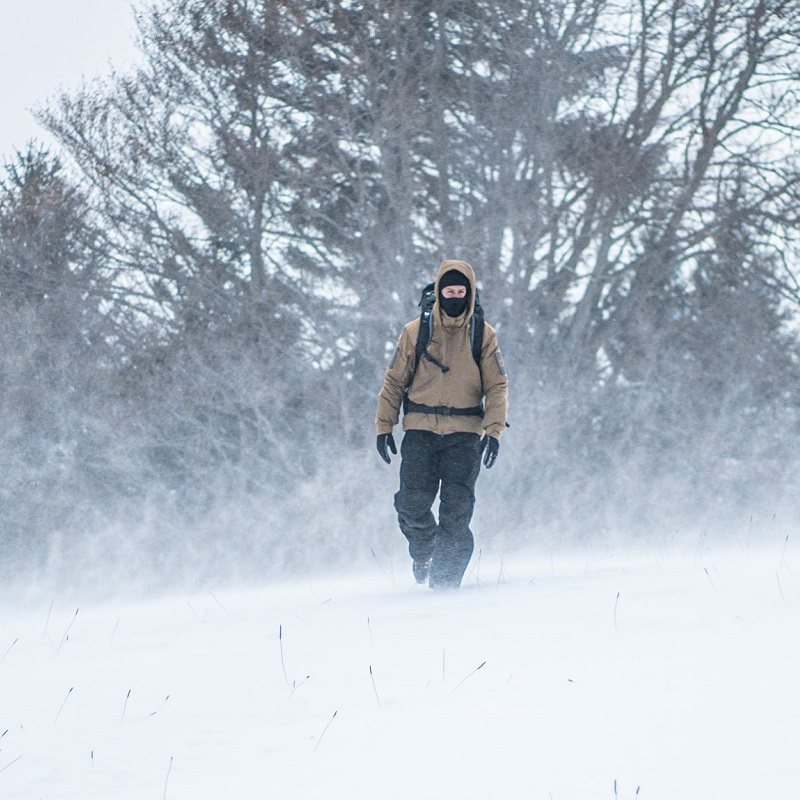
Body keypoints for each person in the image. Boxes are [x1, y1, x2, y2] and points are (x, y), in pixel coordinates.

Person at [375, 259, 509, 590]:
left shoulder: (483, 334)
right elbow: (394, 382)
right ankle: (425, 550)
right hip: (420, 432)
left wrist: (493, 431)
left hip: (464, 437)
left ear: (470, 292)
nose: (454, 296)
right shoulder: (415, 332)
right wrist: (383, 426)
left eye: (460, 291)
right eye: (448, 290)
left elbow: (497, 386)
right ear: (438, 291)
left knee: (457, 513)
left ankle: (445, 589)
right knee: (411, 503)